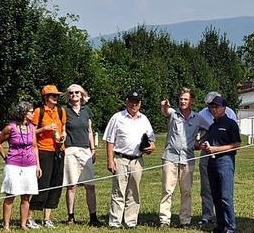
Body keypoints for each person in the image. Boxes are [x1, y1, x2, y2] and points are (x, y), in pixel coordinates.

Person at [103, 90, 156, 229]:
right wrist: (110, 159)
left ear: (140, 104)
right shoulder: (117, 117)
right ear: (126, 102)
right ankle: (115, 222)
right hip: (120, 159)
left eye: (136, 102)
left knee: (134, 191)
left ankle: (131, 222)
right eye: (131, 101)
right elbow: (109, 141)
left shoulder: (144, 119)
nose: (134, 104)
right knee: (118, 191)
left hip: (137, 160)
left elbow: (152, 141)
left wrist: (151, 148)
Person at [158, 87, 203, 228]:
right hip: (170, 157)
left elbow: (209, 129)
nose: (182, 101)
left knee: (186, 191)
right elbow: (165, 111)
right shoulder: (173, 113)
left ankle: (185, 221)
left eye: (186, 99)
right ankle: (164, 221)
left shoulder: (198, 118)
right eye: (181, 99)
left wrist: (199, 143)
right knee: (167, 190)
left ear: (192, 101)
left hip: (187, 159)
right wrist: (164, 105)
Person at [0, 101, 41, 231]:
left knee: (26, 196)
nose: (33, 114)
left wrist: (38, 165)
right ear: (24, 113)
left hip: (30, 164)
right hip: (13, 165)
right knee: (11, 194)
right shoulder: (10, 127)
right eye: (31, 112)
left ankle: (23, 224)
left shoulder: (32, 128)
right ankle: (6, 226)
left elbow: (35, 147)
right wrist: (5, 157)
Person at [28, 84, 67, 229]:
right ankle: (30, 217)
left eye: (57, 95)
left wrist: (62, 137)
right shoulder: (39, 112)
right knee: (42, 184)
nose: (56, 98)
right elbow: (30, 132)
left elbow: (64, 130)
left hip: (59, 150)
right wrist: (44, 129)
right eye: (53, 95)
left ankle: (47, 218)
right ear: (45, 97)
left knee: (55, 184)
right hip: (44, 150)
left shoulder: (61, 111)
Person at [63, 84, 101, 226]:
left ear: (82, 94)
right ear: (68, 95)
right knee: (71, 185)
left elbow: (90, 131)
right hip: (70, 150)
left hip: (85, 150)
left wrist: (93, 149)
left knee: (90, 185)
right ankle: (71, 217)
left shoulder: (87, 111)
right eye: (71, 93)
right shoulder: (64, 111)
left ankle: (93, 217)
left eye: (77, 92)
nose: (74, 95)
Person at [197, 91, 237, 228]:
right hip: (211, 163)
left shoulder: (231, 123)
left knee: (226, 197)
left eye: (217, 107)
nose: (214, 110)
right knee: (216, 196)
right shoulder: (213, 126)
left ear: (223, 108)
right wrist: (203, 146)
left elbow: (236, 145)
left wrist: (216, 149)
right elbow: (205, 140)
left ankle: (230, 226)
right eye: (212, 107)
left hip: (225, 162)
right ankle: (220, 226)